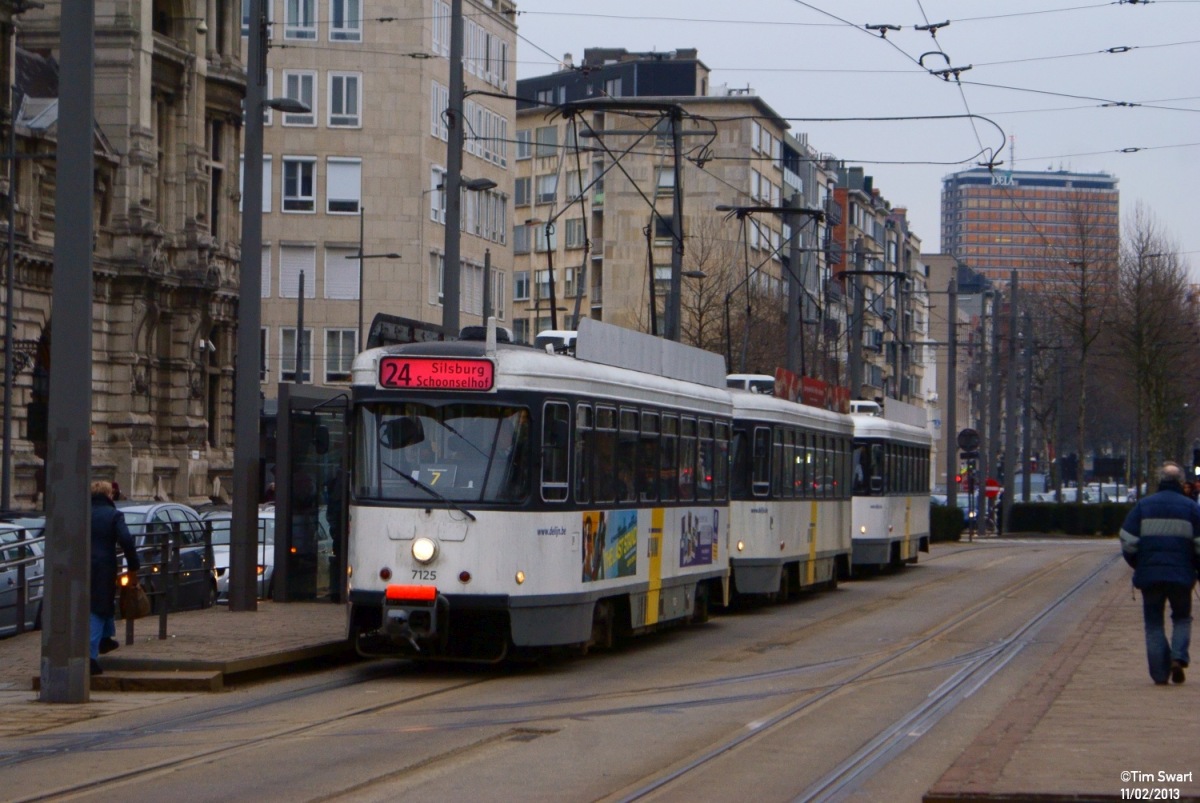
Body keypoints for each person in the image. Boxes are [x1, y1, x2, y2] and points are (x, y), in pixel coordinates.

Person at [1119, 461, 1200, 685]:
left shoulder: (1143, 506)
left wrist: (1138, 563)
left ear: (1159, 480)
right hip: (1182, 576)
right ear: (1181, 482)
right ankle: (1178, 656)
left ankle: (1159, 673)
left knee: (1153, 623)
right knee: (1182, 618)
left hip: (1150, 576)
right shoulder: (1192, 508)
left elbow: (1127, 540)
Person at [90, 480, 140, 676]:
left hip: (80, 567)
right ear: (109, 495)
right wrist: (133, 564)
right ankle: (90, 657)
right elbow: (126, 540)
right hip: (104, 567)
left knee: (99, 604)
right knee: (98, 608)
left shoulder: (81, 512)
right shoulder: (113, 515)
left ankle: (105, 638)